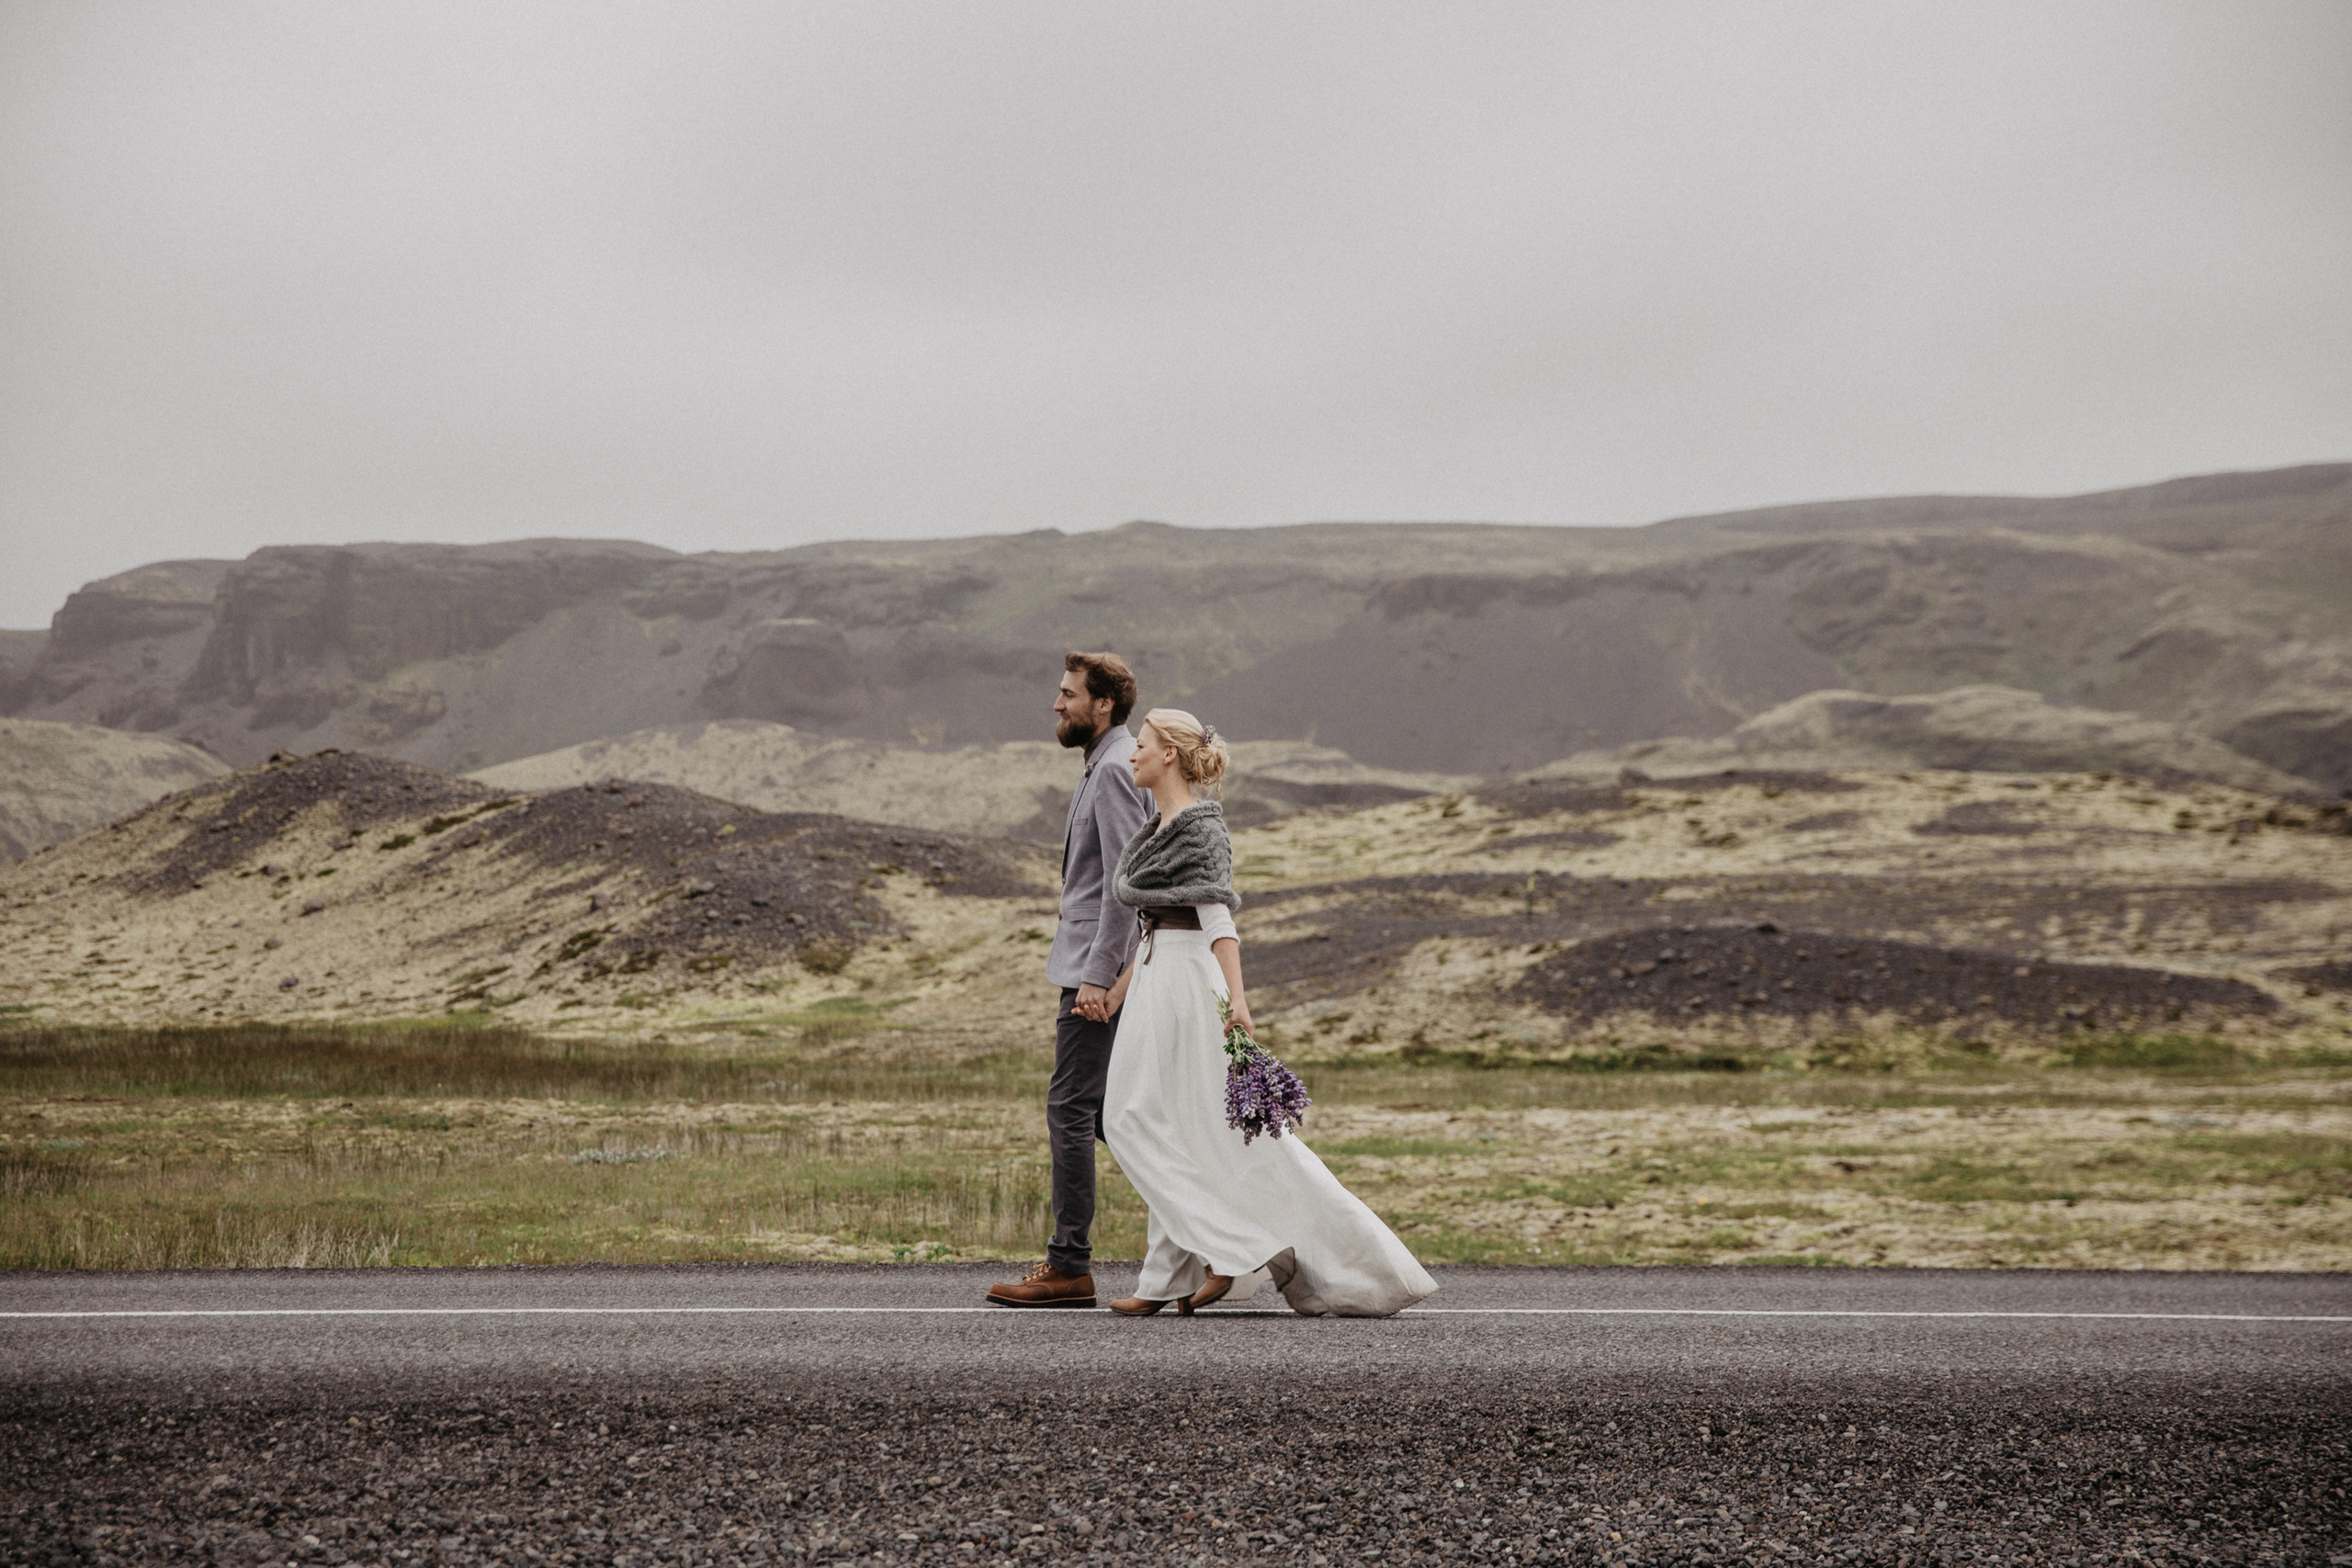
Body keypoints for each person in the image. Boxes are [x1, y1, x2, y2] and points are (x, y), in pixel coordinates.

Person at [1098, 708, 1438, 1318]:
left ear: (1169, 754)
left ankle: (1239, 1249)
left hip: (1186, 985)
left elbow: (1217, 920)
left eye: (1142, 745)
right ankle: (1165, 1276)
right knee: (1167, 1123)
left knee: (1131, 1116)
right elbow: (1155, 923)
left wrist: (1239, 1002)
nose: (1132, 754)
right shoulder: (1158, 828)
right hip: (1156, 977)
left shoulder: (1201, 831)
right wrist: (1121, 989)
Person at [985, 652, 1155, 1309]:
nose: (1057, 704)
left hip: (1094, 974)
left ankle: (1069, 1264)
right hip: (1095, 967)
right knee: (1117, 1116)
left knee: (1071, 1109)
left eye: (1068, 693)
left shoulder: (1113, 768)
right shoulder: (1105, 762)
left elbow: (1122, 886)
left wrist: (1097, 977)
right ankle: (1204, 1231)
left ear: (1103, 703)